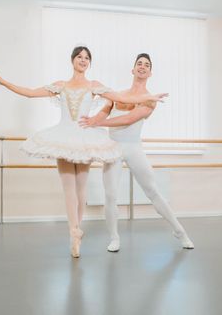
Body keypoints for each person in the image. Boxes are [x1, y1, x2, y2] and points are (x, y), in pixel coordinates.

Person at [0, 47, 167, 258]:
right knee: (68, 187)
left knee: (81, 188)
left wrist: (149, 97)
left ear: (89, 63)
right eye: (79, 57)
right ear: (72, 60)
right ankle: (74, 232)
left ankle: (77, 229)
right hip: (63, 137)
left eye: (87, 58)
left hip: (83, 137)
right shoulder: (60, 86)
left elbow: (121, 98)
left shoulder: (94, 86)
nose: (83, 60)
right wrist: (3, 81)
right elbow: (30, 92)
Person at [79, 53, 194, 252]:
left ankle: (179, 231)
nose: (142, 66)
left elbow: (129, 119)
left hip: (133, 147)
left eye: (146, 65)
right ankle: (114, 237)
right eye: (139, 64)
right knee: (111, 195)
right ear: (132, 70)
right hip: (113, 147)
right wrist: (95, 118)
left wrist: (97, 123)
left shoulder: (151, 100)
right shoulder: (118, 95)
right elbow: (105, 110)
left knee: (153, 191)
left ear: (150, 73)